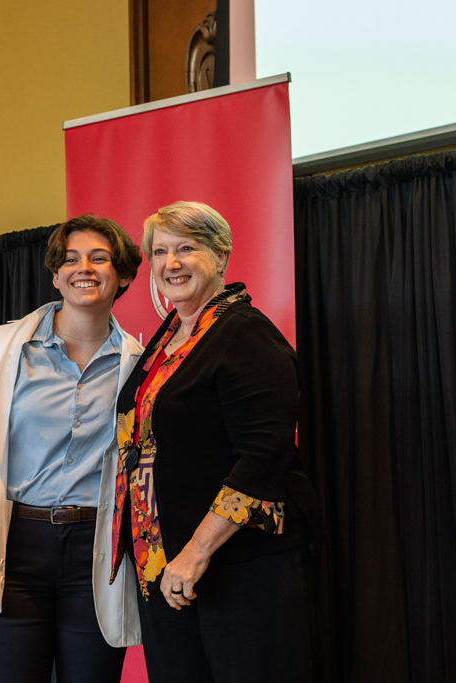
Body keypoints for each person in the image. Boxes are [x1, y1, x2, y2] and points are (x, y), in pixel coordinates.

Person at [109, 201, 319, 682]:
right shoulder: (169, 337)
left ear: (221, 256)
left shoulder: (244, 333)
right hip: (166, 569)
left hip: (237, 566)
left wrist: (196, 552)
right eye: (160, 251)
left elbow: (264, 456)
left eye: (187, 248)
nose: (171, 263)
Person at [0, 215, 144, 683]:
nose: (83, 267)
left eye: (99, 258)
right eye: (70, 259)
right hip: (17, 549)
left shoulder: (140, 363)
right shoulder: (4, 347)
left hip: (97, 554)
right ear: (54, 275)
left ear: (124, 276)